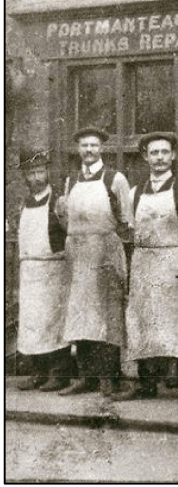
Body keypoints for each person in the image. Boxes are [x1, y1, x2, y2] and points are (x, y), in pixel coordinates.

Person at [113, 132, 178, 404]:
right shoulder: (134, 194)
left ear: (173, 155)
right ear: (145, 157)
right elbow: (130, 228)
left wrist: (172, 251)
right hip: (143, 262)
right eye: (154, 153)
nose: (160, 158)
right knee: (143, 319)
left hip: (174, 262)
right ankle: (146, 383)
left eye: (165, 152)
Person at [56, 126, 132, 397]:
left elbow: (127, 222)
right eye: (84, 146)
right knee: (80, 315)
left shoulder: (115, 179)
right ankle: (86, 376)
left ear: (102, 149)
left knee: (108, 316)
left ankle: (109, 378)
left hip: (104, 252)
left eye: (93, 146)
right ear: (79, 150)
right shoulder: (71, 181)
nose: (88, 151)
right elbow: (66, 220)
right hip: (78, 254)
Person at [15, 147, 74, 392]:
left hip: (53, 271)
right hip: (30, 271)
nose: (36, 178)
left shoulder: (59, 201)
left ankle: (59, 374)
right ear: (26, 177)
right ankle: (38, 371)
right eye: (31, 173)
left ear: (47, 172)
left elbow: (70, 233)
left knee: (54, 322)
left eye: (40, 172)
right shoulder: (24, 204)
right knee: (32, 323)